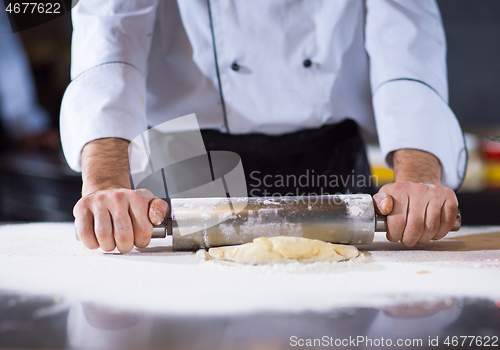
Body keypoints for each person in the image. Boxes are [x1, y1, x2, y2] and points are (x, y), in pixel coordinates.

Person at [61, 0, 465, 253]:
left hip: (329, 154)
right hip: (188, 152)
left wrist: (419, 176)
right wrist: (108, 180)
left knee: (340, 312)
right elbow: (111, 32)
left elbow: (408, 40)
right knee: (189, 308)